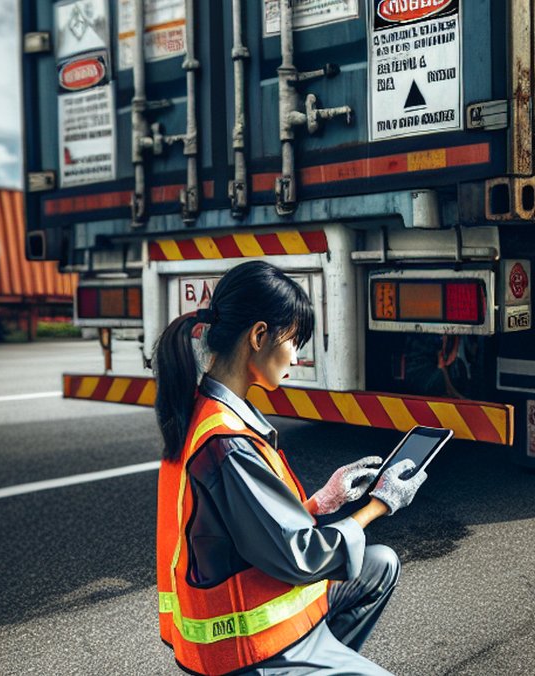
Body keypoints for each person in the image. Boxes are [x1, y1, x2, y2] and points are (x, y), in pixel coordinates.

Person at [152, 260, 427, 675]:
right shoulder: (227, 444)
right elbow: (300, 557)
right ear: (259, 336)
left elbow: (247, 526)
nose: (296, 358)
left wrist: (322, 501)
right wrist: (380, 504)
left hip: (257, 614)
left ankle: (326, 662)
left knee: (381, 564)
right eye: (294, 342)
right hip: (251, 650)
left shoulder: (205, 410)